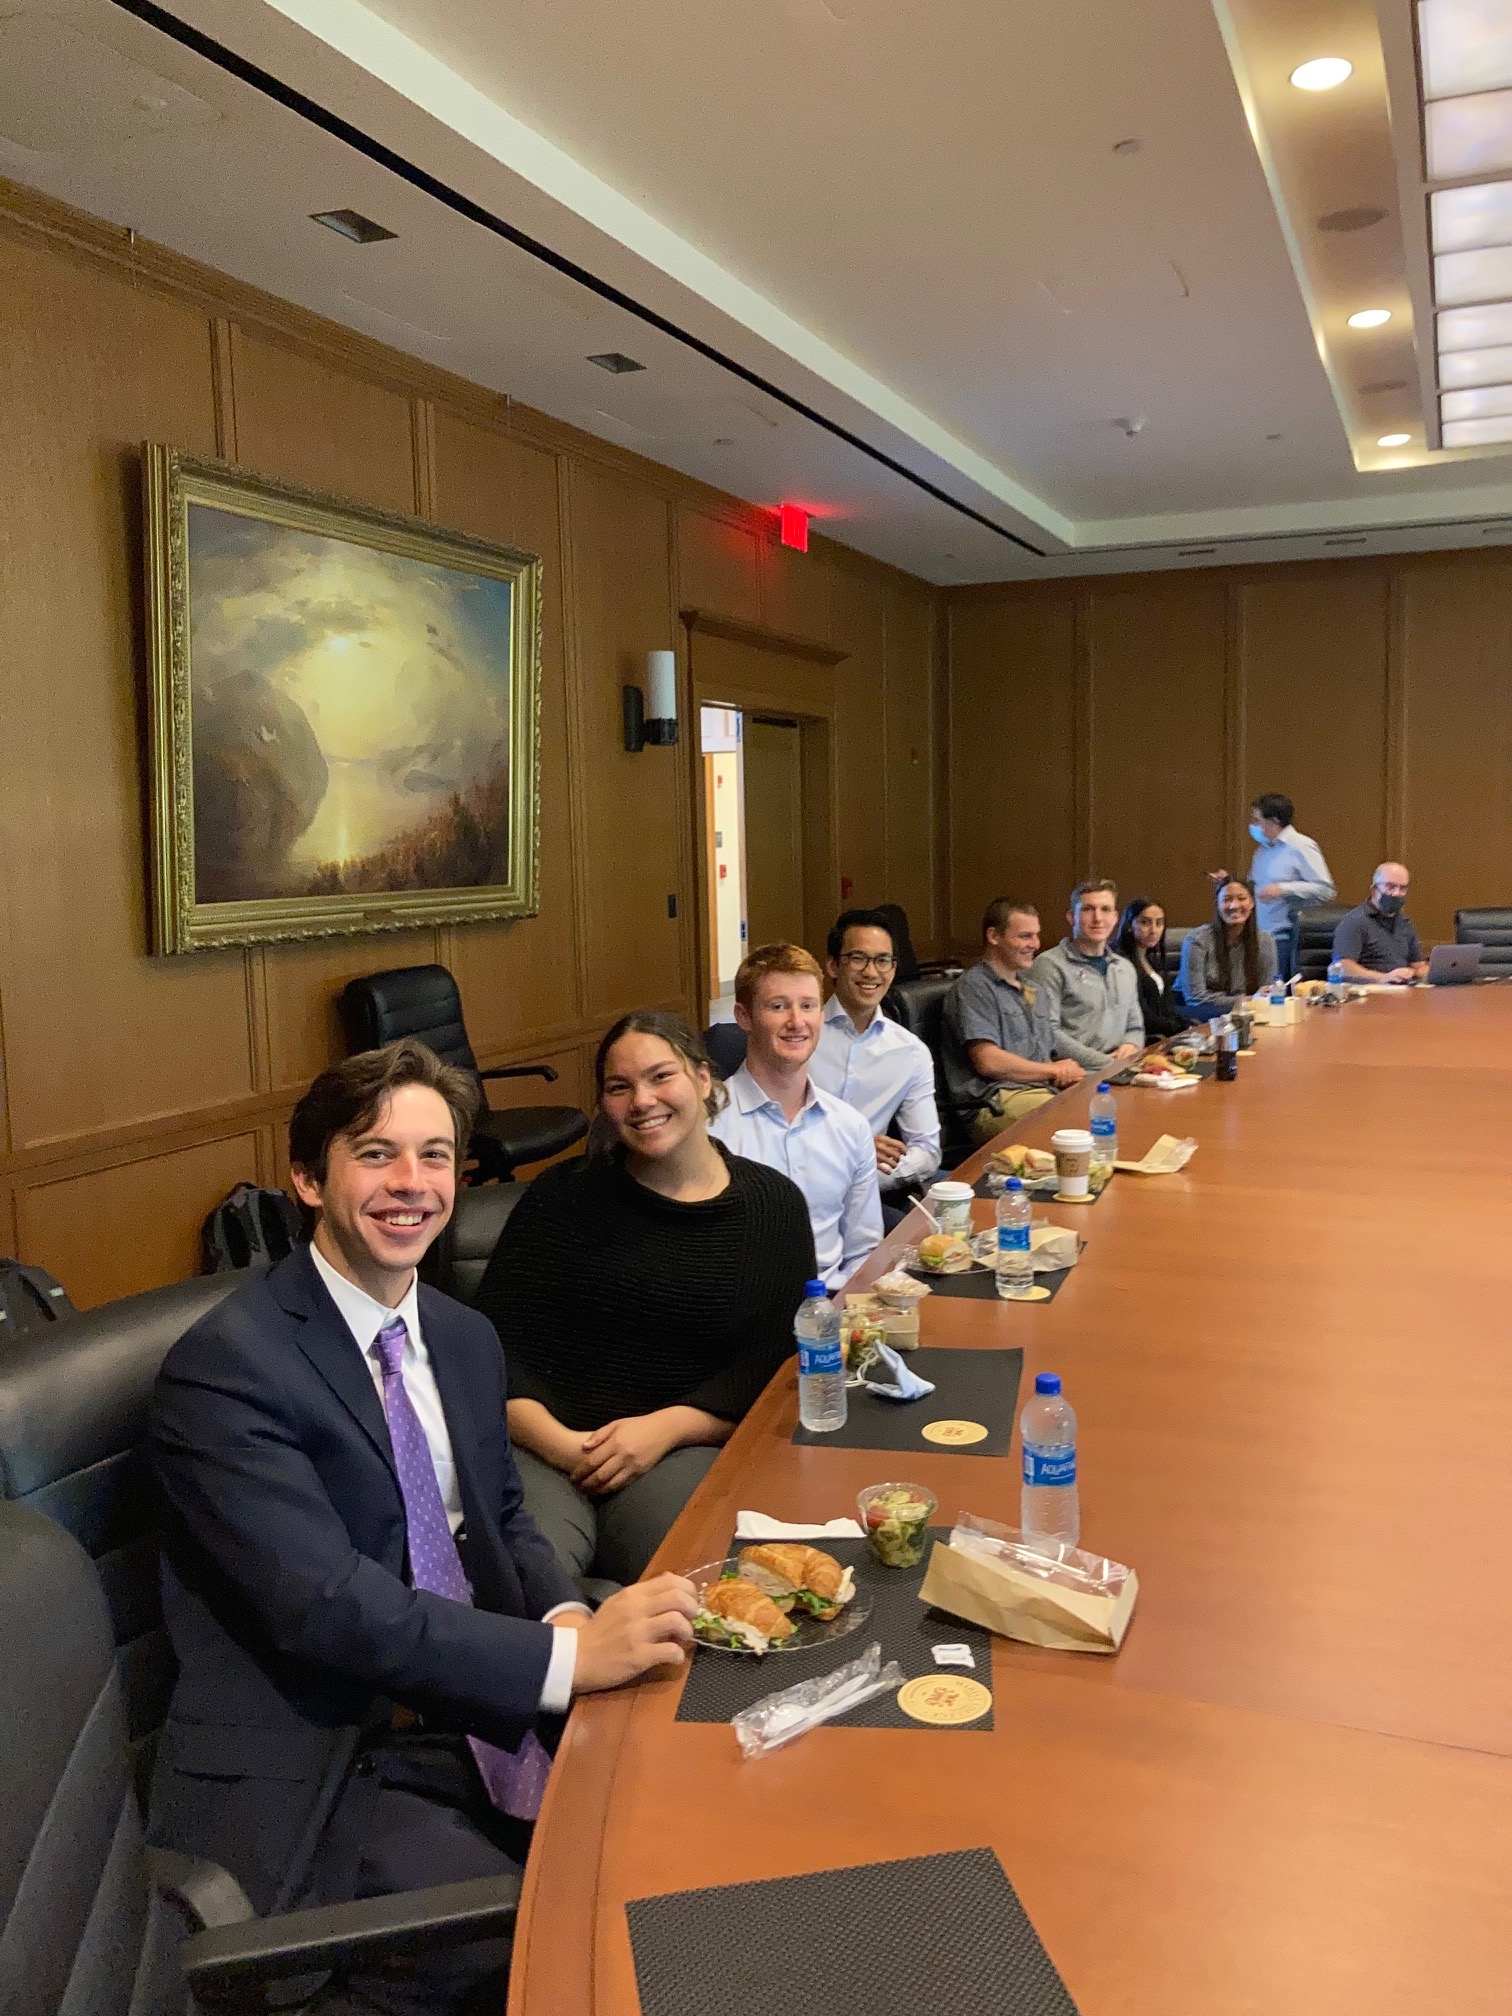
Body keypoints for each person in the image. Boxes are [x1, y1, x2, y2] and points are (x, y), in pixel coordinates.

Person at [147, 1040, 698, 2016]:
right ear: (308, 1178)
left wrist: (568, 1615)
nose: (414, 1184)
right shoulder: (226, 1370)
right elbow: (330, 1611)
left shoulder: (458, 1333)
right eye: (377, 1154)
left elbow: (504, 1516)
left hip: (471, 1709)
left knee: (682, 1850)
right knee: (556, 1950)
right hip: (331, 1760)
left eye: (436, 1155)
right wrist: (564, 1665)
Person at [475, 1011, 814, 1590]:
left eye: (661, 1077)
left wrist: (665, 1429)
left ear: (704, 1080)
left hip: (677, 1449)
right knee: (524, 1586)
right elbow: (491, 1352)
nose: (642, 1101)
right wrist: (566, 1447)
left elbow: (770, 1374)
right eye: (618, 1087)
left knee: (698, 1585)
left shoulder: (773, 1208)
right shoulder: (562, 1196)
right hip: (547, 1446)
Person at [710, 942, 882, 1289]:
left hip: (834, 1312)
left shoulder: (849, 1127)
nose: (797, 1022)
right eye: (778, 1006)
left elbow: (864, 1252)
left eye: (808, 1006)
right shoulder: (709, 1125)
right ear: (744, 1017)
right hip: (743, 1317)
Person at [810, 907, 941, 1195]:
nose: (871, 972)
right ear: (833, 966)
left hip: (867, 1192)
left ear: (893, 969)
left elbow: (927, 1152)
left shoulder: (911, 1053)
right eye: (858, 958)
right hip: (800, 1184)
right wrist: (851, 1150)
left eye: (882, 960)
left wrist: (863, 1173)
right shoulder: (801, 1036)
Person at [941, 899, 1085, 1144]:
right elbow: (988, 1061)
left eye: (1036, 936)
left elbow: (1045, 1057)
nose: (1035, 945)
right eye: (1025, 936)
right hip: (992, 1102)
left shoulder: (1034, 989)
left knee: (1103, 1105)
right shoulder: (973, 987)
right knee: (1070, 1122)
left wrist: (1066, 1071)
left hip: (1041, 1091)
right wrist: (1052, 1070)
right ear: (994, 936)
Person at [1211, 791, 1335, 979]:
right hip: (1256, 932)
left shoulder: (1301, 846)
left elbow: (1326, 889)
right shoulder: (1262, 851)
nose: (1253, 826)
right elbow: (1256, 888)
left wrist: (1282, 889)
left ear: (1274, 821)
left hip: (1282, 936)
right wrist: (1229, 881)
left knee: (1275, 992)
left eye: (1257, 820)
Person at [1029, 880, 1145, 1074]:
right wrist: (1105, 1063)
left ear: (1116, 918)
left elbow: (1135, 1026)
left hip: (1122, 1070)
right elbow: (1047, 1032)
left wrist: (1131, 1046)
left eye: (1106, 909)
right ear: (1071, 917)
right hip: (1076, 1076)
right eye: (1088, 909)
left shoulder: (1124, 968)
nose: (1098, 918)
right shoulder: (1049, 965)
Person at [1179, 877, 1278, 1018]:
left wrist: (1261, 997)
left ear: (1252, 903)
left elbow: (1268, 992)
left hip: (1248, 1016)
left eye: (1241, 898)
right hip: (1201, 1019)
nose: (1234, 906)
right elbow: (1195, 998)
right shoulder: (1197, 940)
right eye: (1227, 900)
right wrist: (1247, 1000)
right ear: (1217, 905)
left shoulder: (1266, 941)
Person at [1331, 863, 1428, 983]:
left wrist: (1432, 972)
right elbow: (1343, 967)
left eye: (1402, 888)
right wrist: (1384, 977)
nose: (1396, 893)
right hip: (1369, 993)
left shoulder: (1405, 923)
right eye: (1390, 887)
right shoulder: (1354, 921)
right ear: (1374, 889)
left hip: (1402, 990)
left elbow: (1418, 966)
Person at [1116, 896, 1193, 1041]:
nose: (1153, 930)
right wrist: (1180, 1028)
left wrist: (1188, 1024)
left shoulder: (1152, 960)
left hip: (1165, 1033)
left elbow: (1168, 1008)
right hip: (1143, 1039)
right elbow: (1143, 1016)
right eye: (1145, 922)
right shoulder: (1121, 963)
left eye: (1159, 923)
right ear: (1129, 925)